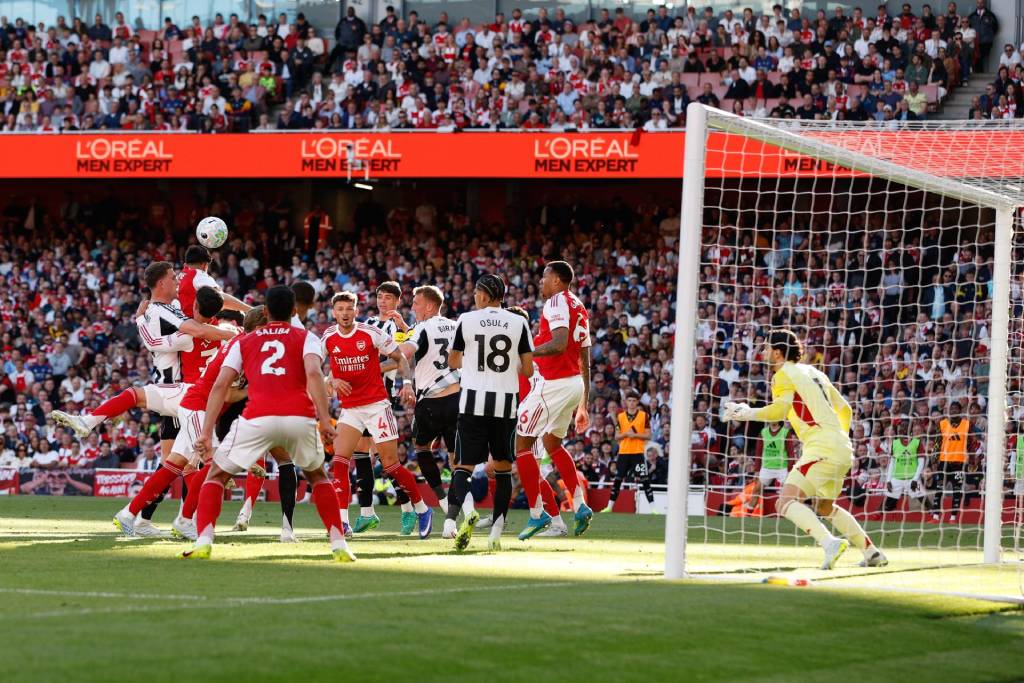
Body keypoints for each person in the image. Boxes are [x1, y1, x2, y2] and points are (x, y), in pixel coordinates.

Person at [182, 285, 352, 561]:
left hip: (257, 417)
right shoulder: (307, 337)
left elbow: (221, 385)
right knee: (318, 477)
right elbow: (313, 373)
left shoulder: (243, 341)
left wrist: (205, 431)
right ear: (294, 311)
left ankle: (204, 540)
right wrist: (324, 420)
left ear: (266, 311)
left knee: (216, 476)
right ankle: (339, 545)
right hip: (298, 416)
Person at [724, 329, 887, 569]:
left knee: (784, 502)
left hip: (822, 447)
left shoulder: (782, 374)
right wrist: (838, 437)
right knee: (824, 507)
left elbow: (779, 411)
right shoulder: (814, 372)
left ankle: (830, 543)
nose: (763, 351)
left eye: (767, 347)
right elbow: (845, 409)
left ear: (778, 352)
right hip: (841, 446)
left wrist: (747, 412)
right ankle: (872, 553)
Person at [111, 286, 241, 538]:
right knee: (214, 467)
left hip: (190, 402)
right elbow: (227, 392)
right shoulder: (237, 341)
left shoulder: (218, 334)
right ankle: (188, 521)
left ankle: (129, 514)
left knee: (173, 466)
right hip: (197, 406)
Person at [321, 291, 433, 539]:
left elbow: (400, 357)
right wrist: (331, 380)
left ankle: (423, 509)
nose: (345, 313)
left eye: (349, 309)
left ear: (356, 310)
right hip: (351, 409)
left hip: (376, 406)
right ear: (334, 312)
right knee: (339, 460)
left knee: (391, 464)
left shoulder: (371, 333)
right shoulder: (328, 337)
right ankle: (342, 521)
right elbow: (314, 369)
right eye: (340, 309)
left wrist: (406, 383)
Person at [444, 274, 534, 551]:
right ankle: (495, 533)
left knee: (462, 467)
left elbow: (453, 361)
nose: (474, 297)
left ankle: (469, 510)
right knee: (504, 470)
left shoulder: (466, 319)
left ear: (484, 295)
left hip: (473, 402)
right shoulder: (519, 322)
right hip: (505, 405)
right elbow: (528, 369)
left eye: (475, 292)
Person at [514, 261, 594, 540]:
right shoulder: (579, 306)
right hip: (573, 384)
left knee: (522, 445)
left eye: (544, 277)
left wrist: (526, 351)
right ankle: (580, 505)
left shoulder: (557, 302)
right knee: (552, 444)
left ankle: (538, 514)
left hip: (554, 385)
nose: (540, 282)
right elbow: (584, 358)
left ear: (557, 280)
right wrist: (583, 403)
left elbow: (559, 344)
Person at [397, 285, 461, 515]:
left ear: (430, 306)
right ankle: (457, 508)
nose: (412, 307)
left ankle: (441, 499)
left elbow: (405, 352)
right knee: (456, 458)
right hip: (458, 398)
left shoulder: (422, 327)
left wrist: (383, 349)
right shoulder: (457, 325)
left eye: (416, 303)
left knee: (421, 446)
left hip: (431, 401)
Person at [602, 391, 654, 512]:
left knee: (644, 479)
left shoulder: (643, 416)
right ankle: (609, 507)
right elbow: (617, 436)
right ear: (626, 402)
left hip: (637, 452)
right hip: (624, 452)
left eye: (634, 401)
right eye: (629, 400)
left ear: (637, 402)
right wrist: (626, 434)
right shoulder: (621, 417)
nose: (631, 403)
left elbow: (648, 435)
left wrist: (635, 435)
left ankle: (653, 508)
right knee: (618, 479)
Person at [744, 420, 795, 515]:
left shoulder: (785, 432)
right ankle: (748, 515)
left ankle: (792, 515)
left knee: (789, 494)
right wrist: (757, 470)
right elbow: (758, 453)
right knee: (756, 490)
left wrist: (790, 469)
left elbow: (790, 452)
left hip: (782, 468)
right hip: (767, 468)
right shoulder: (763, 432)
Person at [934, 404, 971, 522]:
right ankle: (935, 516)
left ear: (960, 410)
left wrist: (970, 458)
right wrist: (934, 458)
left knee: (957, 490)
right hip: (944, 462)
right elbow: (937, 442)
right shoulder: (942, 424)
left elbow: (971, 442)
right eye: (952, 409)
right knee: (939, 489)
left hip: (959, 462)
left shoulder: (967, 424)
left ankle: (953, 517)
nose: (953, 410)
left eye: (956, 409)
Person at [882, 423, 926, 521]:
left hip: (912, 478)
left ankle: (935, 516)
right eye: (900, 430)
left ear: (909, 430)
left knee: (922, 497)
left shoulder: (917, 443)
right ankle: (877, 517)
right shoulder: (895, 443)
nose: (901, 431)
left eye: (904, 429)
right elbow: (892, 463)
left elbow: (921, 463)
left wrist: (915, 479)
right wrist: (888, 480)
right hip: (896, 478)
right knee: (888, 499)